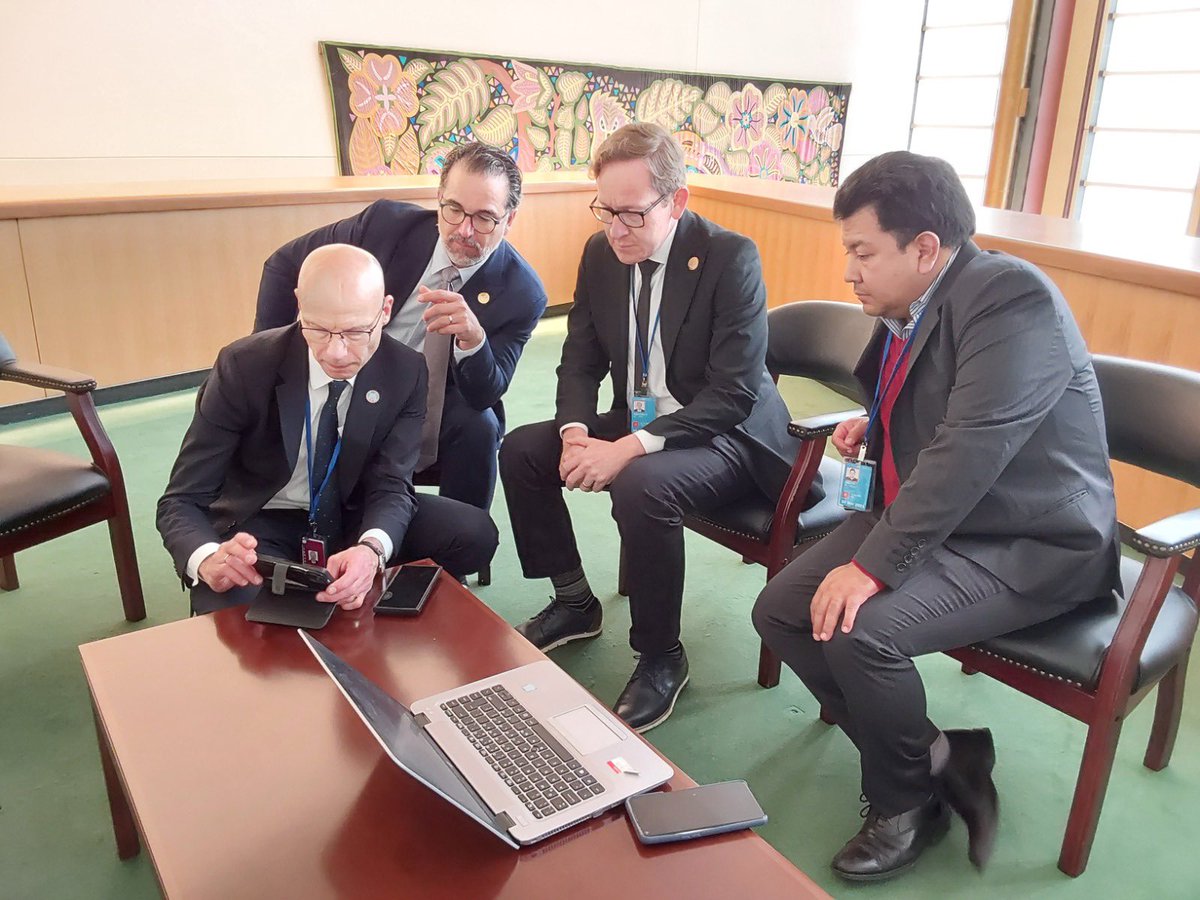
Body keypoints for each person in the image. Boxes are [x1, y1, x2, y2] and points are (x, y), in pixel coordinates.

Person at [752, 151, 1121, 881]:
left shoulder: (1011, 299)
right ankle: (942, 756)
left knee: (862, 632)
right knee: (782, 611)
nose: (850, 272)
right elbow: (935, 400)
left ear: (925, 248)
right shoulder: (916, 299)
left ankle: (906, 802)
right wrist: (877, 423)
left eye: (863, 253)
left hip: (1026, 538)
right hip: (939, 513)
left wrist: (870, 567)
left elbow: (972, 445)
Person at [499, 123, 814, 733]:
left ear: (677, 201)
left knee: (641, 483)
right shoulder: (601, 254)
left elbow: (734, 393)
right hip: (644, 413)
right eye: (605, 210)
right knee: (522, 451)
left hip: (728, 434)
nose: (616, 229)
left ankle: (662, 655)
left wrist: (627, 448)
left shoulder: (730, 257)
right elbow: (580, 357)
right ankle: (574, 601)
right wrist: (573, 432)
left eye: (633, 214)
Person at [158, 244, 498, 615]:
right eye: (319, 330)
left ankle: (354, 587)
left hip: (354, 512)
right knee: (235, 616)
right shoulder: (244, 365)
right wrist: (207, 558)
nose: (336, 353)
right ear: (299, 305)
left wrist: (372, 550)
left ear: (385, 311)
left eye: (356, 331)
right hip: (262, 521)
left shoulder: (406, 370)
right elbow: (182, 498)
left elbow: (392, 484)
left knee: (473, 534)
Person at [254, 143, 547, 512]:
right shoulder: (386, 226)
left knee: (480, 425)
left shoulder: (522, 292)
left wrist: (474, 341)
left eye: (485, 218)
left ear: (510, 218)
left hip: (433, 399)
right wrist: (274, 360)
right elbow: (284, 265)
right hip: (350, 368)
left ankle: (462, 536)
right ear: (439, 198)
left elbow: (486, 392)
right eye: (454, 209)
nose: (464, 230)